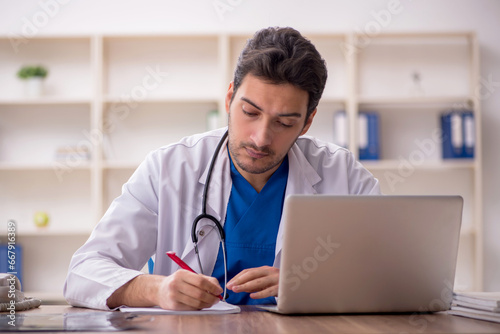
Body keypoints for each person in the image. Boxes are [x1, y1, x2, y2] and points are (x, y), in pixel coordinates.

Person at [64, 26, 380, 311]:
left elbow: (396, 276)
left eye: (284, 122)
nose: (261, 138)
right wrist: (155, 289)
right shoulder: (170, 168)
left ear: (307, 122)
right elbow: (83, 273)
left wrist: (313, 287)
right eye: (249, 112)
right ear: (229, 98)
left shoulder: (344, 176)